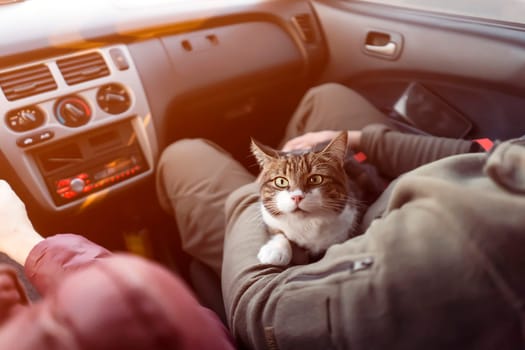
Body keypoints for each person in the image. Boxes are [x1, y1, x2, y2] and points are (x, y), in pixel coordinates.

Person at [156, 82, 525, 349]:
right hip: (391, 193)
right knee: (324, 96)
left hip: (336, 251)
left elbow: (260, 312)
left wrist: (254, 193)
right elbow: (483, 150)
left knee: (183, 157)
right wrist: (364, 140)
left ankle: (163, 247)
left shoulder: (478, 253)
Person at [0, 180, 235, 349]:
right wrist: (24, 240)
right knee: (187, 159)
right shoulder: (131, 304)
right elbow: (137, 306)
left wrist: (18, 241)